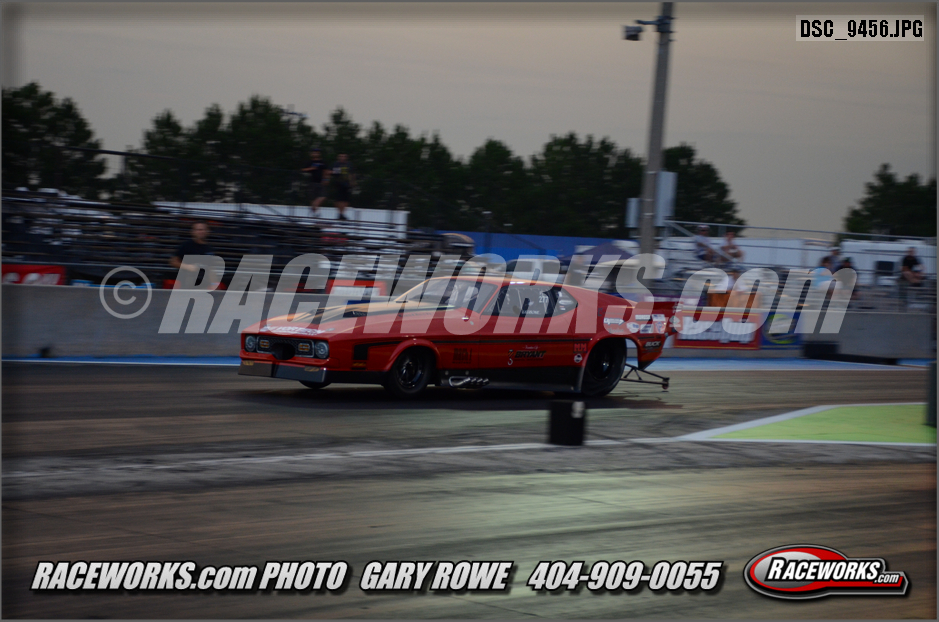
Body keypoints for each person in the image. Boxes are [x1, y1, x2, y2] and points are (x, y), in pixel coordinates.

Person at [302, 148, 329, 216]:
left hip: (321, 182)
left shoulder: (322, 162)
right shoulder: (309, 162)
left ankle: (314, 207)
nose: (315, 154)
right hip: (312, 182)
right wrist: (312, 168)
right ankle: (314, 213)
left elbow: (326, 171)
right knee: (312, 198)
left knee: (323, 196)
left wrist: (326, 179)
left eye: (317, 153)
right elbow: (303, 169)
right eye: (314, 153)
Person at [330, 153, 356, 220]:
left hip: (347, 184)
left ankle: (342, 213)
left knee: (346, 200)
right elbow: (330, 172)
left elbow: (352, 173)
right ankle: (340, 213)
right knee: (339, 199)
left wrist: (353, 182)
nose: (342, 158)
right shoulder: (336, 164)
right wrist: (339, 171)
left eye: (344, 156)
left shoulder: (349, 164)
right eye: (341, 156)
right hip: (338, 183)